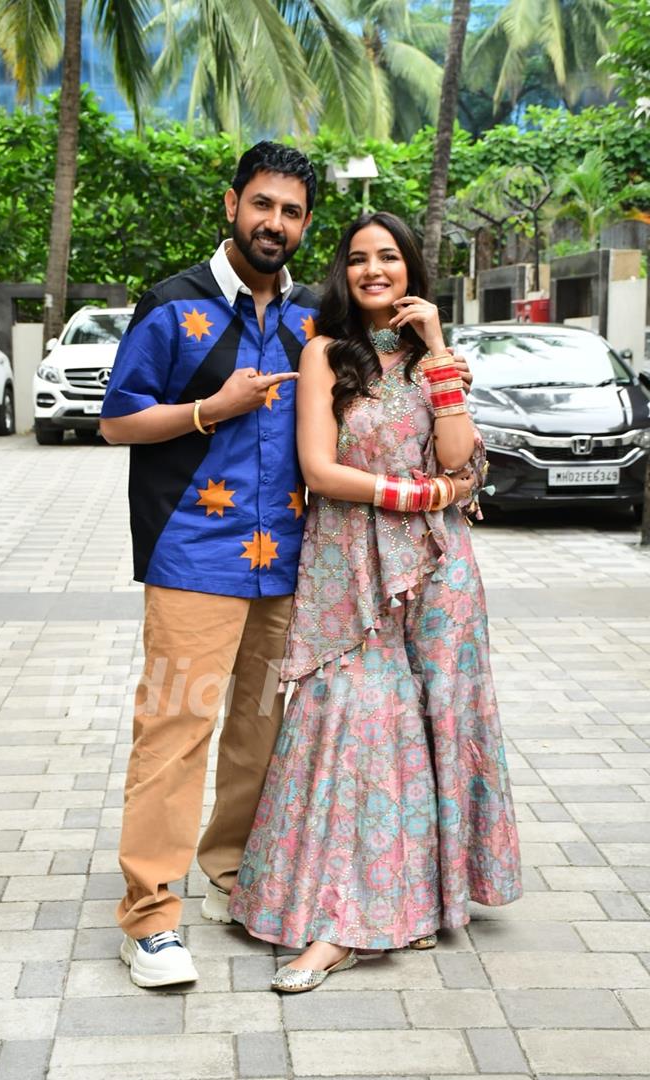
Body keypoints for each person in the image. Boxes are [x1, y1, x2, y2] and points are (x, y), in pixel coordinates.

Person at [229, 211, 522, 992]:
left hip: (439, 570)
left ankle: (428, 899)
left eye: (388, 257)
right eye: (358, 259)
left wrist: (437, 356)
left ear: (412, 269)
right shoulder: (326, 353)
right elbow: (321, 471)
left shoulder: (436, 358)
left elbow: (463, 458)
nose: (373, 270)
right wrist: (421, 492)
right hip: (350, 572)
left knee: (443, 723)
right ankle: (338, 919)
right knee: (358, 730)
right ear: (343, 274)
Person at [99, 142, 319, 987]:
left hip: (286, 562)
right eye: (262, 205)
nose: (275, 223)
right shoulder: (172, 306)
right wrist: (207, 410)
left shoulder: (311, 318)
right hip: (192, 554)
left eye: (292, 211)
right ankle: (150, 916)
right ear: (232, 205)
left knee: (259, 729)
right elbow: (118, 422)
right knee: (175, 730)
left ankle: (231, 873)